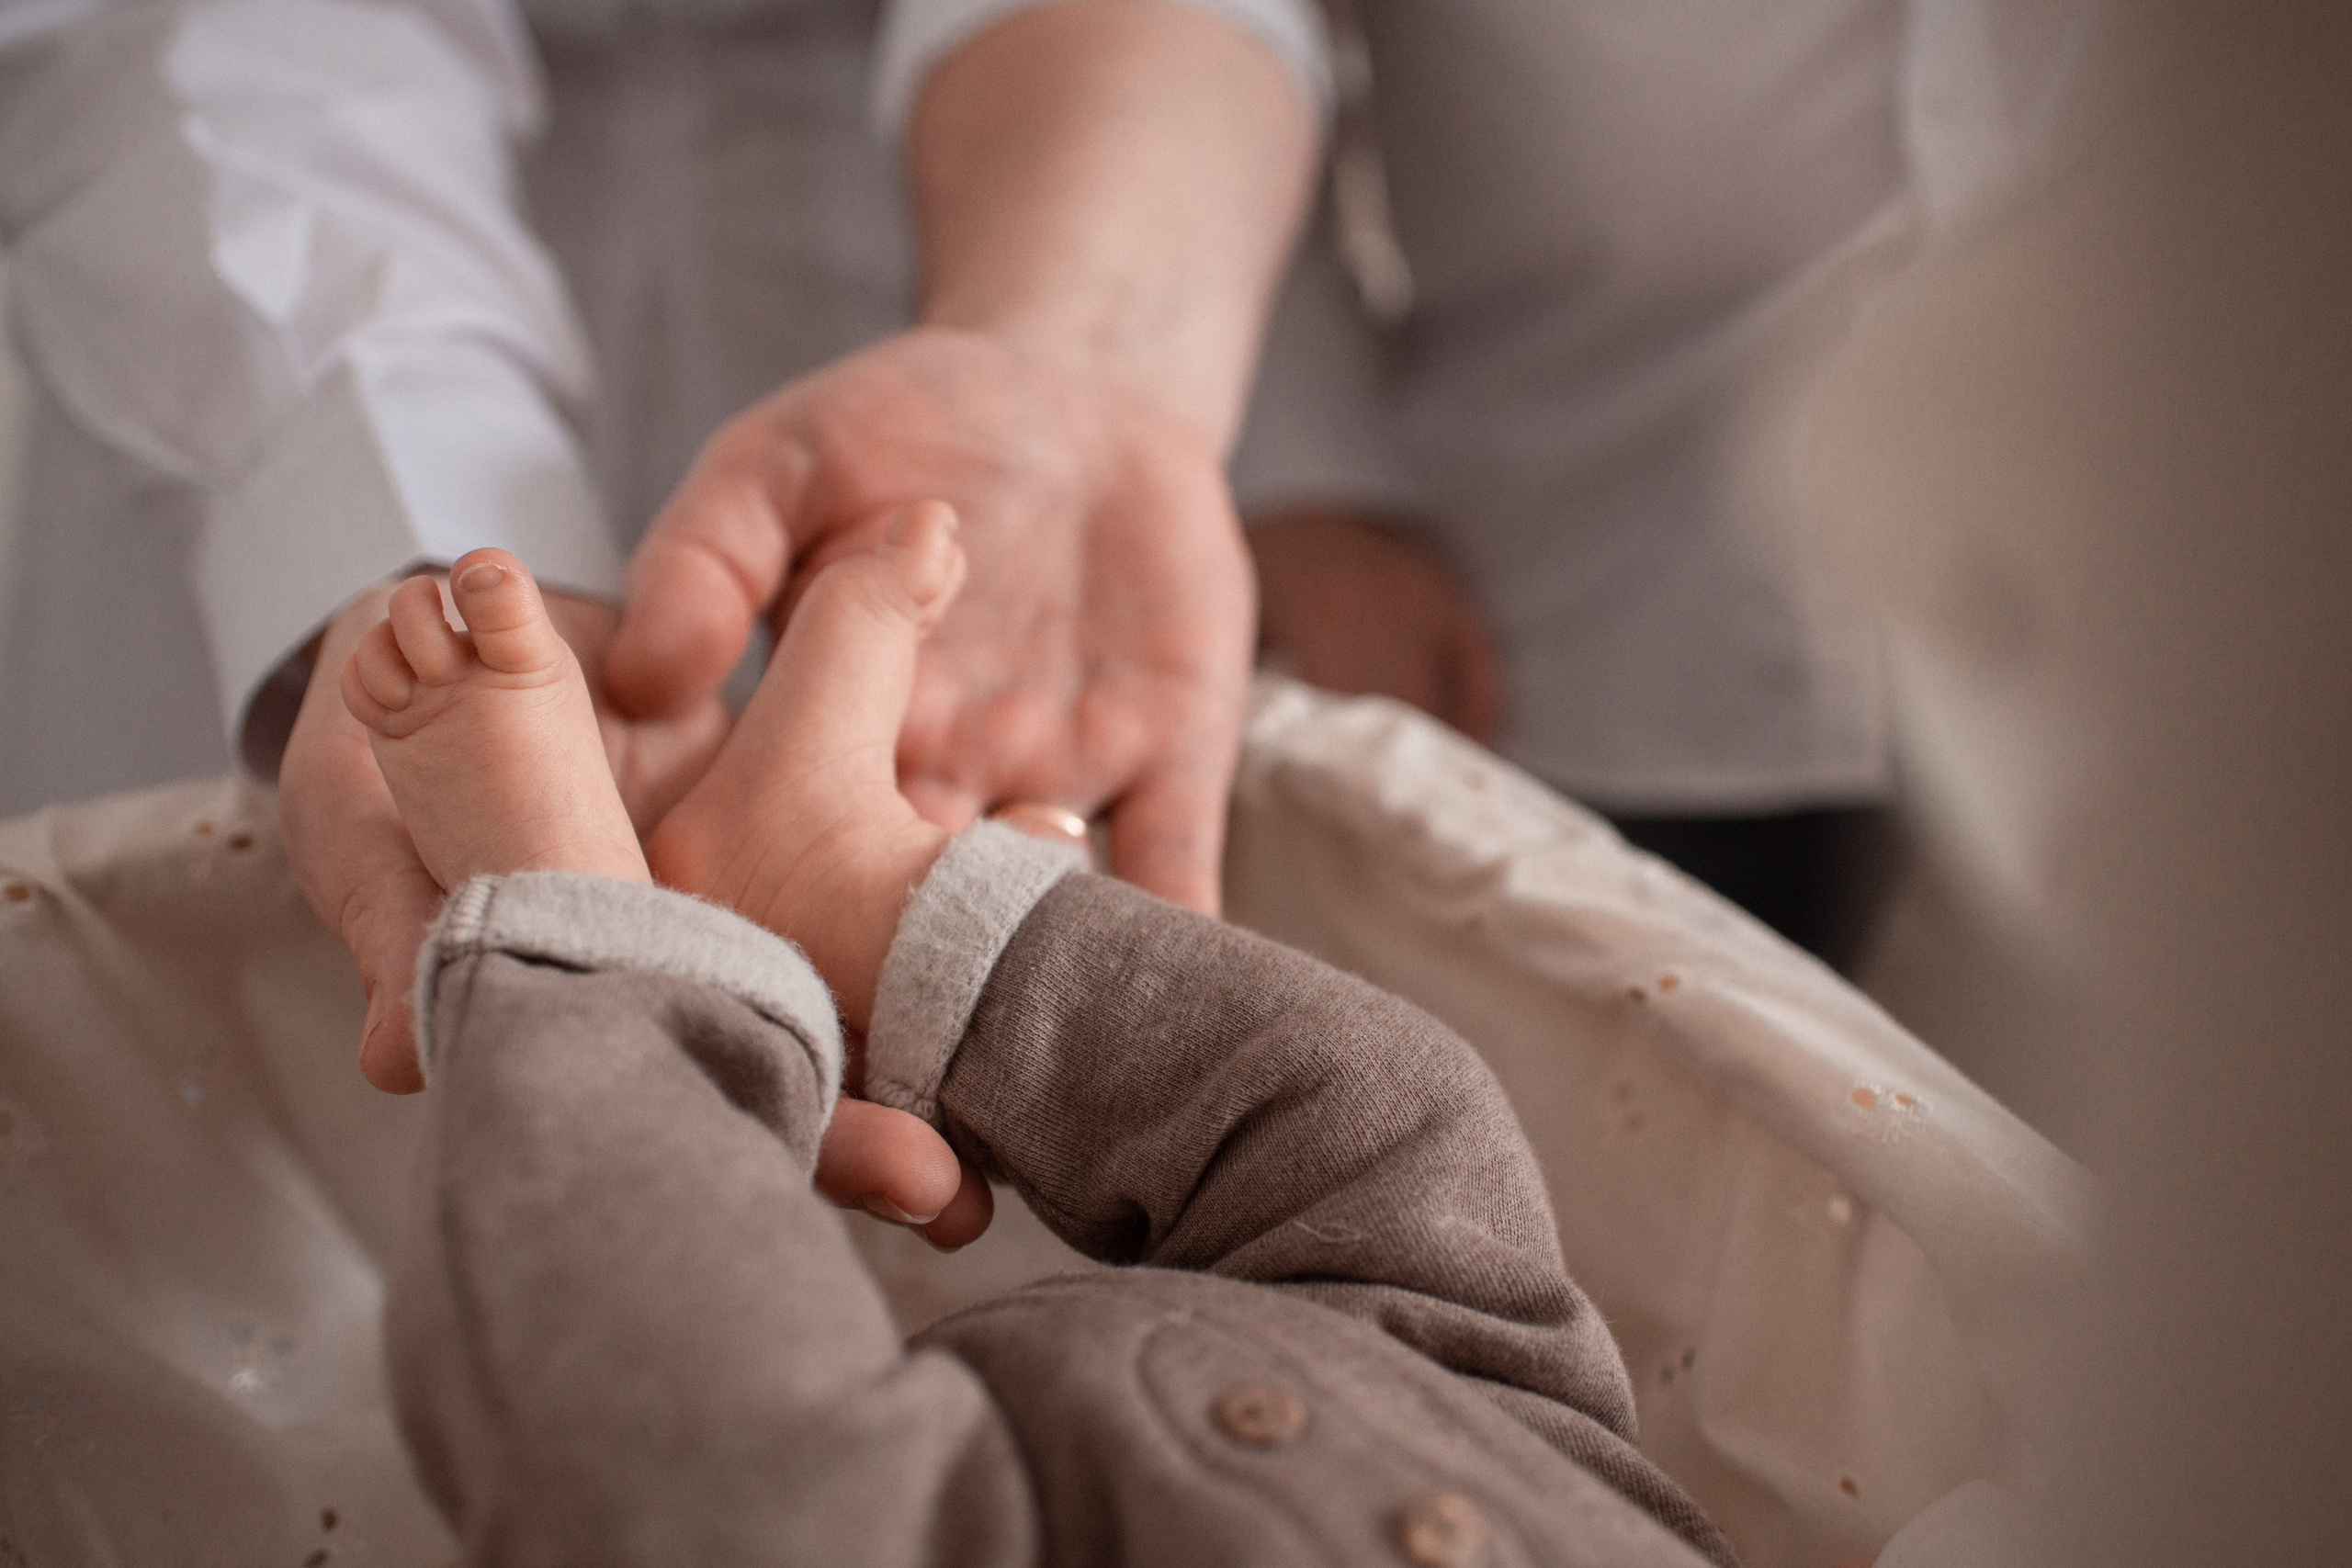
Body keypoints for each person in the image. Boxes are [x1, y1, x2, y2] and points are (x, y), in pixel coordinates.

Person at [341, 513, 1737, 1567]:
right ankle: (845, 889)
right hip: (1515, 1457)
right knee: (1404, 1126)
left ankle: (591, 958)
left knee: (712, 1484)